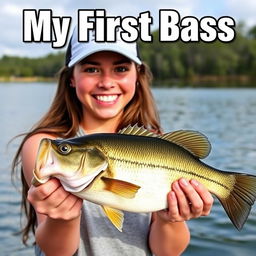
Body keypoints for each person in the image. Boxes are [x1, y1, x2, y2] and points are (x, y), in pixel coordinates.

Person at [12, 25, 214, 256]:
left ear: (137, 76)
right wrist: (63, 219)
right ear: (71, 78)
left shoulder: (156, 143)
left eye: (120, 68)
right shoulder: (47, 146)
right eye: (91, 69)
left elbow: (167, 252)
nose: (107, 82)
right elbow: (57, 252)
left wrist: (170, 220)